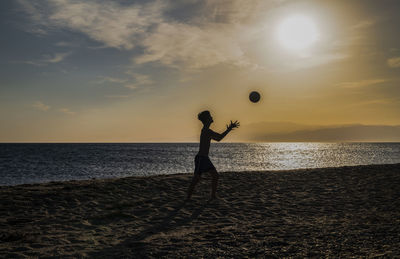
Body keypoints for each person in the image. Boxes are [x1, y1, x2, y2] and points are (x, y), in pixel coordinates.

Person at [186, 110, 240, 200]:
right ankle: (188, 198)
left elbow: (218, 138)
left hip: (204, 158)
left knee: (214, 176)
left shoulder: (206, 130)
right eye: (210, 116)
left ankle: (212, 196)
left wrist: (229, 129)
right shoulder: (206, 131)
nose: (212, 117)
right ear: (207, 119)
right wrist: (229, 129)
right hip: (201, 158)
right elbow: (219, 138)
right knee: (197, 179)